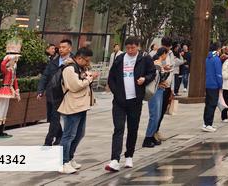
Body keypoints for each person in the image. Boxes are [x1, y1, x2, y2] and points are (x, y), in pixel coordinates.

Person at [105, 37, 154, 172]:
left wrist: (145, 79)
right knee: (118, 129)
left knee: (133, 128)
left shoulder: (144, 58)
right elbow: (111, 77)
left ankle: (129, 155)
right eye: (128, 48)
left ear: (138, 46)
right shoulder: (120, 59)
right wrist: (116, 92)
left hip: (135, 100)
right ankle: (115, 159)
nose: (130, 50)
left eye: (133, 48)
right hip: (119, 101)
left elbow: (152, 73)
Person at [58, 46, 97, 175]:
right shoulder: (69, 68)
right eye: (86, 60)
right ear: (79, 58)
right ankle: (63, 162)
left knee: (79, 134)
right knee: (69, 135)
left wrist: (87, 75)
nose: (88, 63)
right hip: (72, 106)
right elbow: (75, 86)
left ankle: (69, 158)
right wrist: (89, 79)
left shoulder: (78, 67)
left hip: (81, 105)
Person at [38, 38, 73, 146]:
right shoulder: (54, 61)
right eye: (60, 47)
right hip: (51, 93)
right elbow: (45, 76)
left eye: (64, 47)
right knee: (52, 118)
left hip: (63, 94)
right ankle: (59, 135)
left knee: (54, 117)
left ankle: (48, 141)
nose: (61, 49)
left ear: (70, 48)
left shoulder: (74, 61)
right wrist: (40, 90)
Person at [143, 46, 173, 147]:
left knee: (158, 114)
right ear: (163, 54)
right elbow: (154, 77)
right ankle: (148, 137)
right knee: (154, 115)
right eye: (166, 54)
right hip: (155, 92)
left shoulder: (159, 64)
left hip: (160, 90)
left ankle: (152, 136)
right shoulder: (156, 63)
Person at [202, 42, 223, 132]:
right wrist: (221, 85)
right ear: (218, 49)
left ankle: (206, 123)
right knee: (212, 104)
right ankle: (208, 124)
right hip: (214, 85)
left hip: (208, 83)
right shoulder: (216, 59)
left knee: (208, 104)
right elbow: (218, 74)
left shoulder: (208, 58)